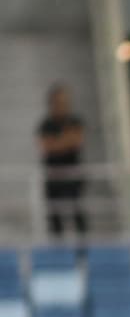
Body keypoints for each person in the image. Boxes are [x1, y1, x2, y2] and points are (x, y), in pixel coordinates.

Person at [36, 82, 88, 238]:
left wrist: (57, 142)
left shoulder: (75, 121)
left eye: (65, 101)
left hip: (73, 175)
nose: (62, 105)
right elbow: (46, 147)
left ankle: (83, 250)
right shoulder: (46, 124)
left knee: (78, 213)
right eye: (58, 102)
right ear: (52, 103)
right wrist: (65, 141)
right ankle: (57, 252)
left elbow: (77, 141)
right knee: (54, 216)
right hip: (53, 176)